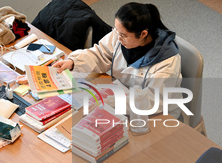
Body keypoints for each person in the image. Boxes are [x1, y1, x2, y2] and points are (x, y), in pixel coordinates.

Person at [54, 2, 182, 118]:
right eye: (116, 30)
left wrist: (112, 103)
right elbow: (101, 53)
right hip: (120, 94)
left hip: (157, 114)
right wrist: (74, 62)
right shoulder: (121, 36)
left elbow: (152, 100)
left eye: (123, 35)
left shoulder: (168, 63)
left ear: (143, 34)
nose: (118, 37)